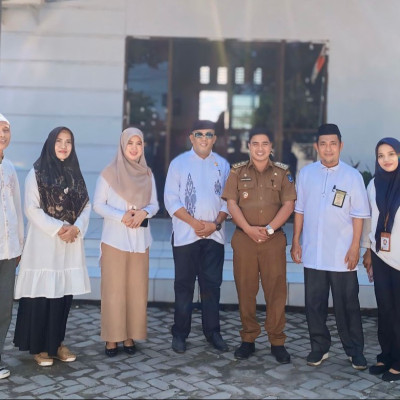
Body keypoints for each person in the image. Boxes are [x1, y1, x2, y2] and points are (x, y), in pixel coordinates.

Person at [290, 123, 370, 370]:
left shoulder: (352, 176)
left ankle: (354, 350)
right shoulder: (307, 174)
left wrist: (356, 246)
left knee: (348, 305)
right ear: (316, 147)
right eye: (323, 144)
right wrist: (295, 241)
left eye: (332, 143)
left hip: (342, 253)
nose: (328, 148)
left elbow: (359, 215)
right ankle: (319, 347)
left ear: (340, 146)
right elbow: (299, 210)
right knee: (314, 303)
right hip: (314, 252)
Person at [13, 126, 91, 367]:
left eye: (68, 141)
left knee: (62, 296)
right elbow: (31, 209)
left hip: (68, 244)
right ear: (50, 143)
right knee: (42, 296)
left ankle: (56, 343)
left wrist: (76, 228)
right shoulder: (36, 173)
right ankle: (39, 347)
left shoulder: (75, 173)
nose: (64, 146)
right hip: (45, 244)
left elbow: (86, 205)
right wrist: (60, 228)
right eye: (59, 141)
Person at [222, 127, 296, 363]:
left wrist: (270, 229)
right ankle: (248, 339)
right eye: (255, 143)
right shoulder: (237, 171)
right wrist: (248, 229)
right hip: (244, 239)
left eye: (265, 143)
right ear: (249, 146)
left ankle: (277, 341)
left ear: (271, 147)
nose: (260, 148)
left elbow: (289, 205)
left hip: (273, 239)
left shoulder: (283, 172)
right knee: (246, 290)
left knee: (276, 291)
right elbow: (231, 204)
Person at [164, 119, 230, 353]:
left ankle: (213, 333)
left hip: (214, 237)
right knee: (184, 286)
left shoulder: (222, 164)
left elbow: (229, 201)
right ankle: (180, 334)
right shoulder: (178, 164)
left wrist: (214, 224)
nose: (204, 138)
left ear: (214, 138)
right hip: (185, 236)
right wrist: (194, 223)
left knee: (211, 287)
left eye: (209, 134)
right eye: (199, 134)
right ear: (191, 137)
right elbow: (171, 200)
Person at [93, 127, 159, 357]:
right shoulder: (109, 173)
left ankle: (130, 335)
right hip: (115, 240)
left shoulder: (147, 174)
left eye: (138, 143)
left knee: (136, 290)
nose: (134, 148)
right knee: (113, 290)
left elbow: (155, 204)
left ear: (143, 147)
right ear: (122, 146)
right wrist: (120, 215)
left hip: (140, 242)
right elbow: (98, 205)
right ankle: (112, 338)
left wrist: (144, 213)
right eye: (129, 143)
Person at [361, 137, 400, 382]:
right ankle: (386, 354)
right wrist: (367, 251)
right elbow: (368, 221)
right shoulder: (373, 184)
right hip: (380, 255)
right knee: (385, 310)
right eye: (381, 155)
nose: (386, 159)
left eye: (391, 154)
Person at [0, 114, 24, 379]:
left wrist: (19, 245)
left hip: (8, 251)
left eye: (6, 130)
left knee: (3, 308)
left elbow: (17, 209)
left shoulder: (10, 169)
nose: (3, 135)